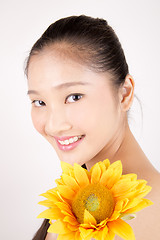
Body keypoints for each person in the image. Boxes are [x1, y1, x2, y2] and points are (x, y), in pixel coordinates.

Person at [25, 15, 160, 240]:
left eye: (74, 96)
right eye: (40, 102)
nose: (54, 125)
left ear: (124, 93)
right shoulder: (71, 201)